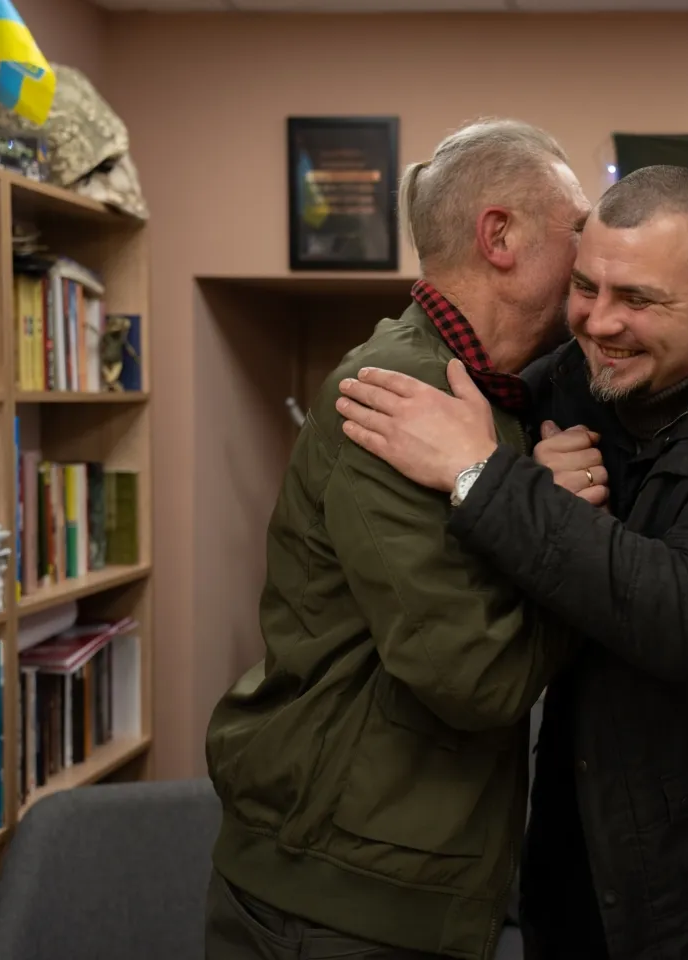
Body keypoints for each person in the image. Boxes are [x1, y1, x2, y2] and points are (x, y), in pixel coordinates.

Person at [334, 164, 688, 960]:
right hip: (583, 874)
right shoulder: (562, 382)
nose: (598, 322)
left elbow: (680, 613)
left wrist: (483, 474)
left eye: (640, 300)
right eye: (586, 287)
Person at [202, 118, 590, 960]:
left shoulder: (494, 400)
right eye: (579, 230)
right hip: (338, 895)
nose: (592, 260)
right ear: (500, 235)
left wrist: (525, 496)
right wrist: (569, 536)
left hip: (406, 876)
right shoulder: (391, 393)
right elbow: (475, 676)